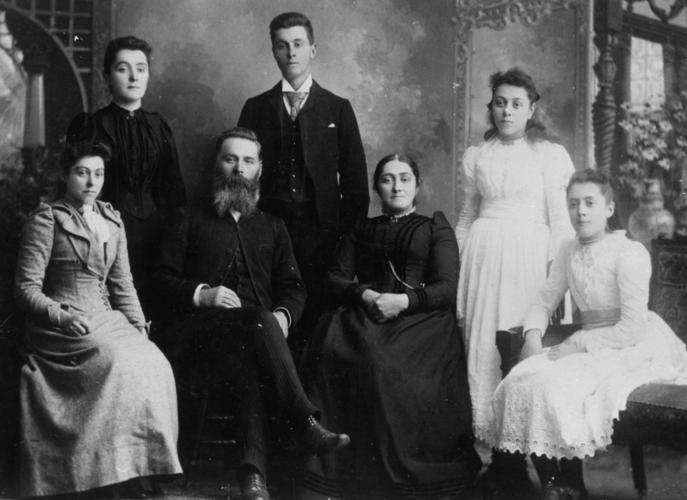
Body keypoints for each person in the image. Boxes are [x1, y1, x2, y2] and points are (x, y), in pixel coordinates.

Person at [153, 127, 350, 500]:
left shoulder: (272, 226)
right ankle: (304, 422)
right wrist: (201, 294)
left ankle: (253, 477)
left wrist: (283, 317)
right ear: (217, 165)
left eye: (247, 161)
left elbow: (294, 288)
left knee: (253, 347)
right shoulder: (188, 218)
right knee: (257, 323)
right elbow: (160, 280)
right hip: (198, 336)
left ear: (259, 169)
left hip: (254, 338)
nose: (239, 168)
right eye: (230, 159)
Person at [485, 169, 687, 499]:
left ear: (609, 209)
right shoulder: (568, 250)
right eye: (574, 204)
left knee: (559, 383)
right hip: (588, 343)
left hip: (632, 343)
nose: (580, 212)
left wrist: (580, 342)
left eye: (590, 203)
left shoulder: (628, 252)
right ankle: (558, 483)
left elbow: (632, 327)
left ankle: (571, 484)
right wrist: (533, 335)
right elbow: (544, 301)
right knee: (523, 379)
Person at [300, 154, 481, 500]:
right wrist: (366, 294)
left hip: (420, 318)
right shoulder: (361, 228)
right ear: (376, 187)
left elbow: (446, 287)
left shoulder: (434, 228)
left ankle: (394, 473)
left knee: (381, 362)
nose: (396, 186)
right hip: (367, 310)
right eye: (387, 179)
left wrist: (403, 301)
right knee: (328, 349)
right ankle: (341, 464)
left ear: (417, 185)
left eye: (404, 179)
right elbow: (335, 277)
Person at [14, 140, 182, 498]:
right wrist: (61, 316)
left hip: (106, 319)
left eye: (99, 174)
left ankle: (139, 470)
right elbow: (26, 288)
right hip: (61, 327)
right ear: (65, 175)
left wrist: (139, 327)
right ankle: (105, 475)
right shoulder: (47, 220)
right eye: (82, 173)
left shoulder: (111, 221)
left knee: (154, 361)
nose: (92, 182)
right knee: (116, 361)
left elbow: (123, 284)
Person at [454, 67, 575, 493]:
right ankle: (498, 460)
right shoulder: (477, 156)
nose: (507, 111)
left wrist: (555, 280)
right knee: (483, 352)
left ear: (531, 109)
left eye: (516, 104)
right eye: (500, 103)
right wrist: (456, 263)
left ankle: (518, 457)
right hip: (482, 260)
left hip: (527, 259)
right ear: (491, 107)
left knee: (519, 350)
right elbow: (467, 216)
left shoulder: (549, 155)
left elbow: (561, 224)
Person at [237, 12, 369, 349]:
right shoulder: (256, 108)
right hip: (268, 229)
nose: (291, 53)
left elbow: (356, 187)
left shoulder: (337, 108)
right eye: (282, 46)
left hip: (322, 234)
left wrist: (346, 246)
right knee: (270, 314)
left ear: (313, 49)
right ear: (273, 52)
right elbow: (241, 176)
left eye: (298, 44)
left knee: (316, 320)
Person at [67, 35, 186, 318]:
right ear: (106, 76)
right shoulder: (92, 126)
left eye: (141, 69)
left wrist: (172, 244)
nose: (134, 77)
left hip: (157, 242)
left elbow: (175, 195)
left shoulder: (159, 127)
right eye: (123, 69)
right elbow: (78, 193)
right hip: (106, 239)